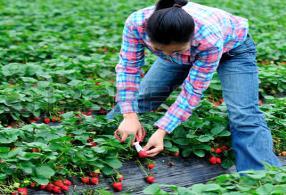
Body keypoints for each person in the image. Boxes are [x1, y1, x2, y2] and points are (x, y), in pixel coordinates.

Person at [106, 0, 282, 172]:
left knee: (242, 113)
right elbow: (129, 68)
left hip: (234, 51)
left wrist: (162, 131)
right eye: (159, 49)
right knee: (144, 96)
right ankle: (106, 140)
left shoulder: (208, 38)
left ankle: (260, 176)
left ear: (190, 41)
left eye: (176, 51)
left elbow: (192, 91)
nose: (166, 55)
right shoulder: (136, 24)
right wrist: (129, 116)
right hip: (179, 47)